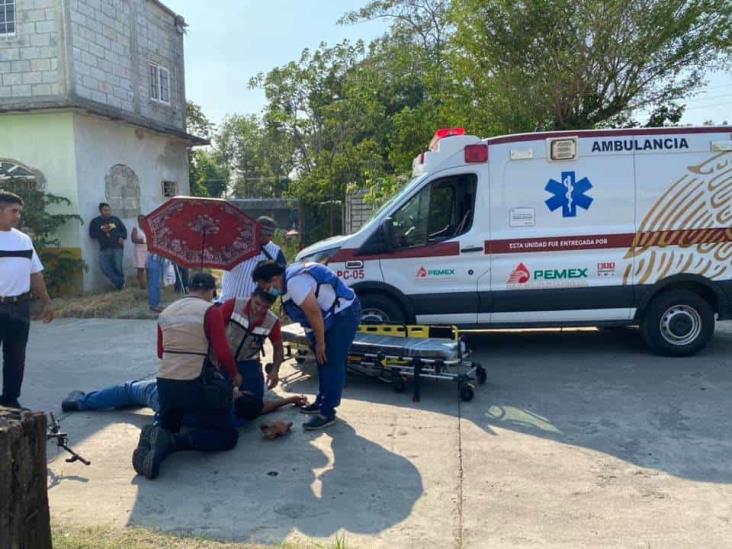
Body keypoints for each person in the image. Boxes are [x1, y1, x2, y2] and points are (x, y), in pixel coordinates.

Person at [131, 272, 243, 480]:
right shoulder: (211, 311)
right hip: (195, 383)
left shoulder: (166, 312)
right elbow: (223, 351)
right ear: (211, 290)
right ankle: (173, 444)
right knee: (228, 436)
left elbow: (160, 352)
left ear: (189, 289)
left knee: (170, 423)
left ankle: (158, 435)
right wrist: (235, 375)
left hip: (165, 382)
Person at [253, 260, 361, 430]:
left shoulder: (295, 283)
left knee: (332, 361)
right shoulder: (288, 281)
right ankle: (321, 402)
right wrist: (314, 341)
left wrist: (320, 343)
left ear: (274, 278)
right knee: (322, 360)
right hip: (332, 314)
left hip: (344, 314)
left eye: (265, 285)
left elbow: (314, 314)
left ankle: (327, 412)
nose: (267, 290)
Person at [0, 191, 54, 409]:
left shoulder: (23, 240)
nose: (18, 216)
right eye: (13, 211)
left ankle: (11, 401)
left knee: (16, 358)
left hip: (19, 307)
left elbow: (35, 273)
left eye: (20, 211)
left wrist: (47, 301)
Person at [60, 378, 307, 425]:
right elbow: (264, 408)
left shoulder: (225, 396)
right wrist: (290, 399)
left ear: (240, 395)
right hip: (176, 416)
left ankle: (80, 403)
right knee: (131, 398)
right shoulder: (239, 418)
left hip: (164, 397)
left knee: (129, 389)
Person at [220, 216, 286, 302]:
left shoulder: (276, 252)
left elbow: (281, 283)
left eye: (265, 235)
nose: (261, 237)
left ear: (271, 236)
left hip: (254, 307)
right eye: (259, 234)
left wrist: (270, 296)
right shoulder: (235, 245)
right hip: (227, 301)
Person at [89, 202, 127, 290]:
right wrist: (102, 231)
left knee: (118, 267)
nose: (108, 212)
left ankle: (120, 287)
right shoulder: (95, 222)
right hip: (104, 248)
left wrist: (122, 237)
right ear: (100, 211)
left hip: (117, 247)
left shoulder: (115, 220)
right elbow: (92, 234)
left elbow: (124, 231)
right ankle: (120, 282)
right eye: (105, 210)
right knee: (105, 268)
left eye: (109, 210)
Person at [131, 215, 148, 290]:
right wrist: (142, 241)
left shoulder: (148, 229)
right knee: (141, 268)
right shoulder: (136, 229)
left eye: (143, 220)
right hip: (139, 250)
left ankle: (149, 284)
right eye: (140, 220)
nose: (142, 221)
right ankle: (143, 286)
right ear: (138, 221)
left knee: (149, 268)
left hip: (148, 250)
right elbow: (133, 239)